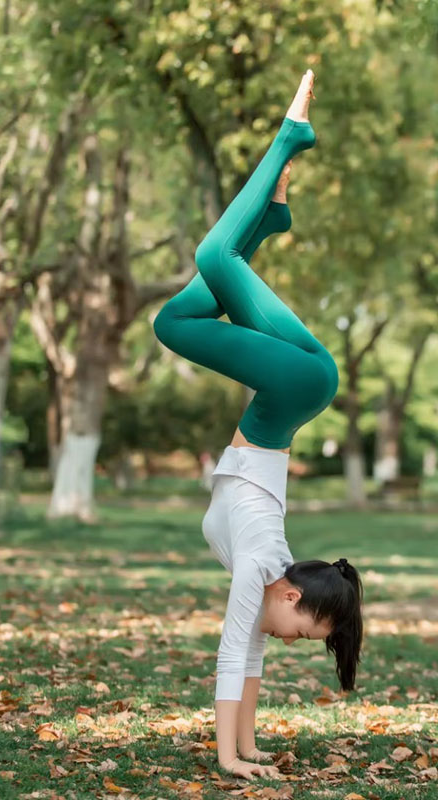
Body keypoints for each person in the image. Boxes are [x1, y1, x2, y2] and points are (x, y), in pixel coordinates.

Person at [153, 69, 363, 780]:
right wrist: (224, 760)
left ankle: (269, 220)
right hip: (296, 387)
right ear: (291, 596)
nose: (297, 641)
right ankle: (289, 138)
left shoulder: (268, 575)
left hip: (298, 387)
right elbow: (228, 656)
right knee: (215, 258)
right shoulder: (258, 572)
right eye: (309, 632)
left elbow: (244, 660)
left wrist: (247, 753)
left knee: (175, 318)